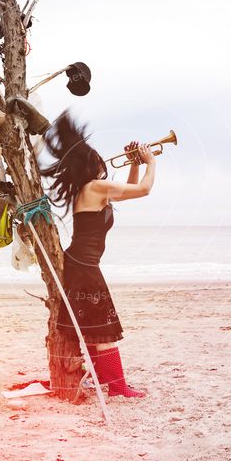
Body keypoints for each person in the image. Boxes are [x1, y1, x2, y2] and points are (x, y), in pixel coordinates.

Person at [40, 110, 156, 398]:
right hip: (85, 266)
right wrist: (150, 162)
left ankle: (111, 383)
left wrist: (134, 163)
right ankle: (118, 388)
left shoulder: (89, 189)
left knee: (94, 326)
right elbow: (143, 190)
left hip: (80, 264)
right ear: (92, 165)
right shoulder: (96, 187)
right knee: (102, 327)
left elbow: (128, 190)